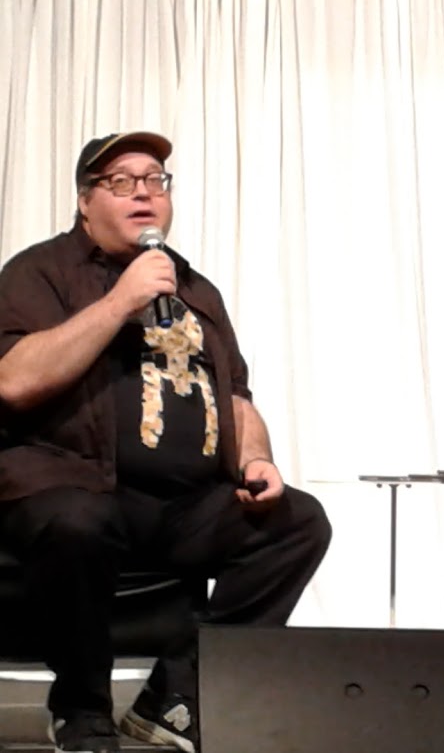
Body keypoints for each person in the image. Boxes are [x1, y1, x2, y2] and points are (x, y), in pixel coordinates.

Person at [0, 132, 333, 753]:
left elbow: (235, 397)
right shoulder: (40, 272)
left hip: (181, 506)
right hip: (72, 483)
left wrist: (255, 457)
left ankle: (174, 696)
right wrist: (120, 301)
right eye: (121, 182)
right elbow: (13, 381)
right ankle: (81, 709)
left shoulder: (194, 289)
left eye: (155, 180)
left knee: (297, 524)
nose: (144, 193)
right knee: (77, 520)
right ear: (85, 202)